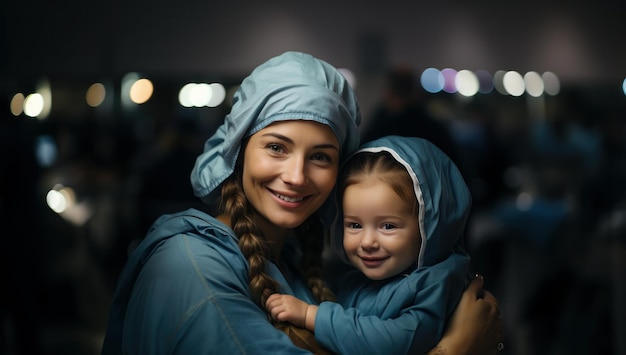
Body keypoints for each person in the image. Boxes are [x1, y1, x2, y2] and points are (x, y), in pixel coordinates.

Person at [101, 51, 504, 354]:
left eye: (320, 157)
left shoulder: (294, 263)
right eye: (276, 147)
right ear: (238, 151)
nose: (296, 176)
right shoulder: (189, 270)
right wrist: (456, 349)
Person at [266, 136, 479, 354]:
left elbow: (392, 343)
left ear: (430, 226)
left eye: (388, 226)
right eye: (355, 225)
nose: (367, 242)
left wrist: (311, 315)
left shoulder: (436, 284)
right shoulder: (351, 278)